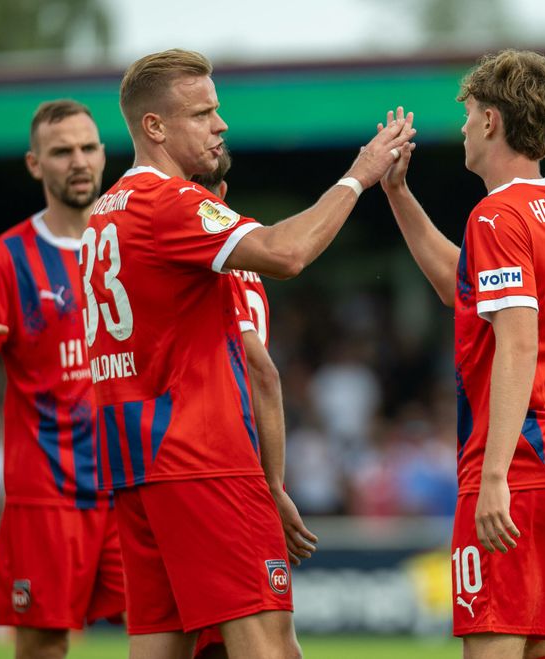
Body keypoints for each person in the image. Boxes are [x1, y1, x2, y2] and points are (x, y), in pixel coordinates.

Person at [82, 48, 413, 659]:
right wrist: (358, 176)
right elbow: (285, 256)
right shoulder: (169, 204)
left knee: (159, 644)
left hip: (135, 467)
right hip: (202, 458)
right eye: (203, 112)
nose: (221, 124)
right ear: (154, 126)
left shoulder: (103, 216)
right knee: (269, 646)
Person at [380, 50, 545, 659]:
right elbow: (462, 287)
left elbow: (518, 340)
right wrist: (398, 194)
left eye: (468, 113)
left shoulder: (497, 214)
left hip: (524, 460)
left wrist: (495, 476)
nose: (460, 128)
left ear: (490, 121)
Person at [0, 99, 124, 659]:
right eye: (61, 151)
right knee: (45, 646)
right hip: (49, 495)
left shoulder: (135, 243)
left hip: (132, 485)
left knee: (172, 632)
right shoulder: (4, 259)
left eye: (88, 148)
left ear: (102, 154)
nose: (78, 161)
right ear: (33, 164)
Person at [190, 150, 318, 659]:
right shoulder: (243, 270)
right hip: (230, 480)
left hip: (205, 467)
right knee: (270, 643)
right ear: (221, 197)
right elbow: (263, 371)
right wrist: (273, 485)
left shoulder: (211, 269)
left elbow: (258, 368)